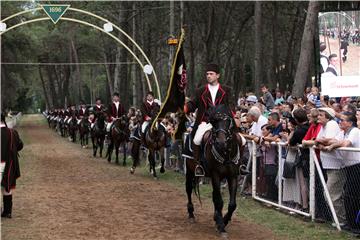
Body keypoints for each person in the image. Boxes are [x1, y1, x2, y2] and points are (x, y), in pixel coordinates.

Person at [184, 63, 242, 176]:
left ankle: (239, 165)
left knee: (242, 140)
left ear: (218, 75)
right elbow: (193, 104)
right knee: (196, 139)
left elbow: (231, 105)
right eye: (207, 74)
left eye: (211, 74)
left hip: (223, 123)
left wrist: (234, 115)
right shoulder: (200, 90)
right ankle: (198, 165)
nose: (208, 76)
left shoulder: (227, 90)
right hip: (205, 122)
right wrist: (185, 107)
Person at [323, 112, 360, 232]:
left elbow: (345, 143)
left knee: (351, 196)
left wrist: (333, 146)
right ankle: (351, 224)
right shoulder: (343, 132)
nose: (340, 122)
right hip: (349, 167)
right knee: (349, 196)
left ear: (350, 123)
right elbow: (332, 141)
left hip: (357, 167)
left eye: (343, 120)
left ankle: (354, 226)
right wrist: (330, 143)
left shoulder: (354, 131)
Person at [1, 112, 23, 218]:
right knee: (7, 188)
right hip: (8, 164)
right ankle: (7, 212)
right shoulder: (12, 132)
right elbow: (20, 146)